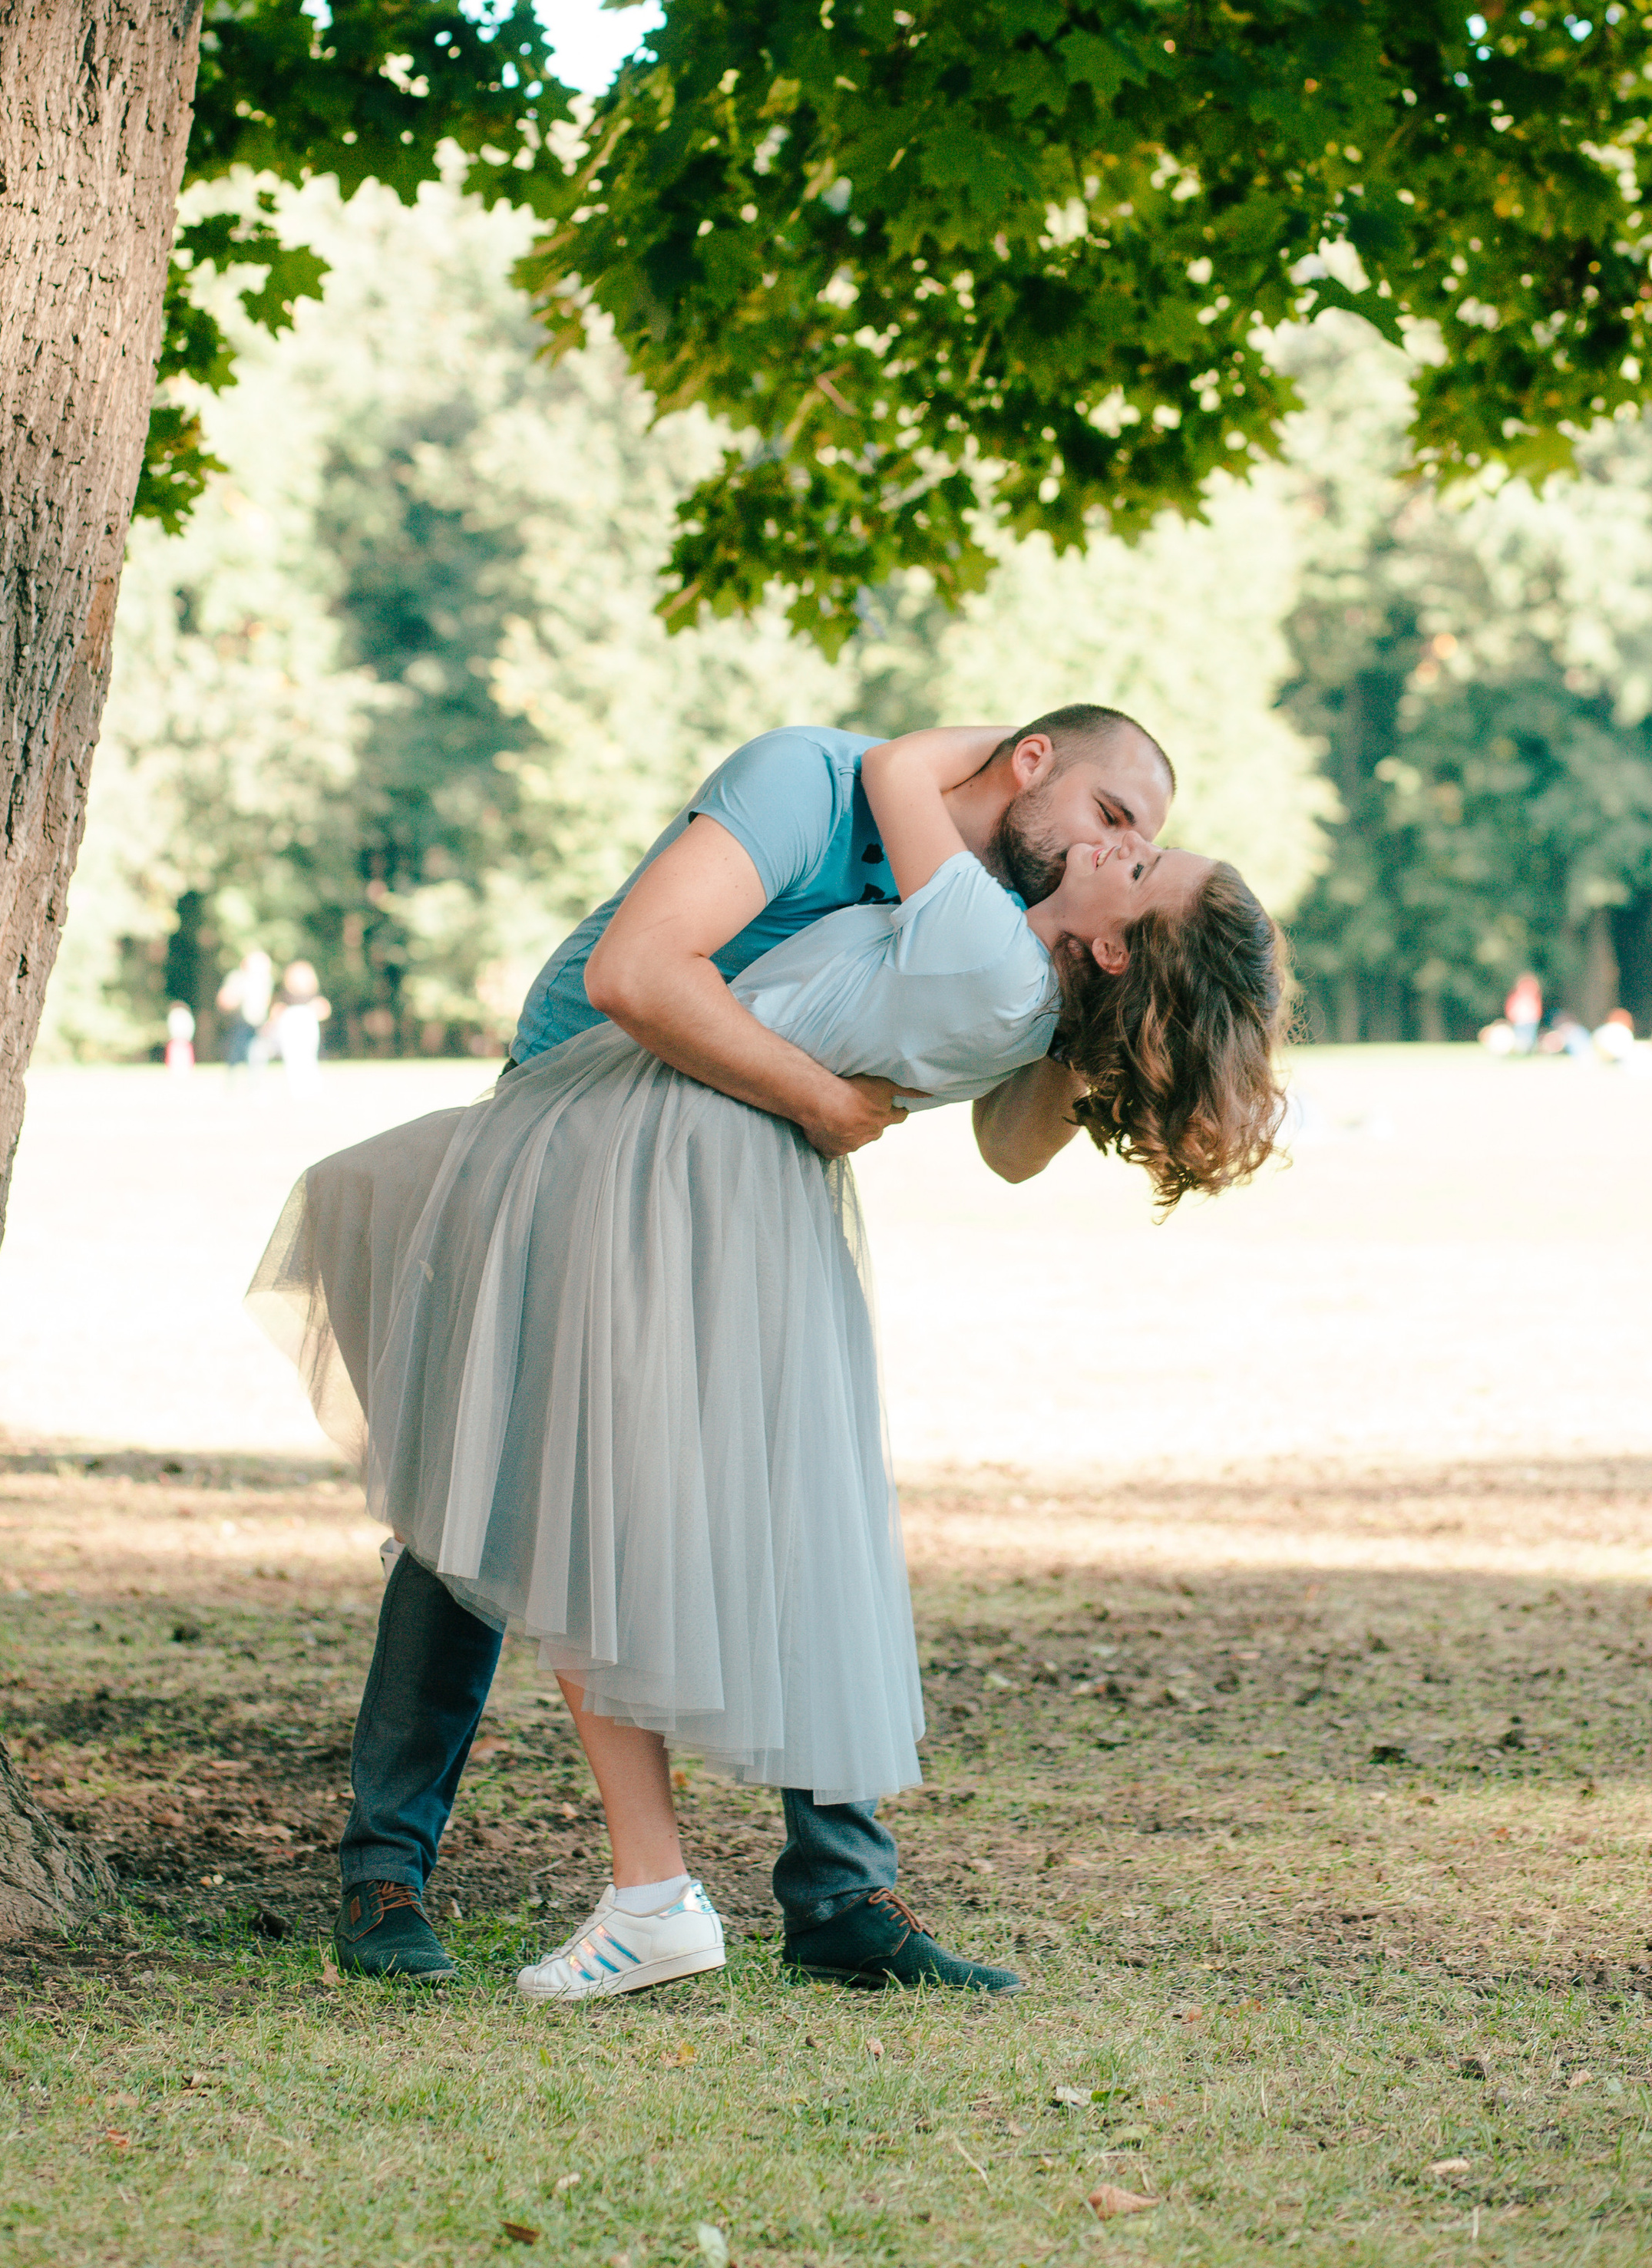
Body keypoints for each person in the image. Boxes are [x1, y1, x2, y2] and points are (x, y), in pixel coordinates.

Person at [251, 711, 1279, 1999]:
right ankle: (390, 1867)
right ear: (1031, 762)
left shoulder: (1017, 934)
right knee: (498, 1477)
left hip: (733, 1174)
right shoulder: (815, 785)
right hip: (595, 1111)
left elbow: (1011, 1142)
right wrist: (822, 1096)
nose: (1118, 844)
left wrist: (1119, 1026)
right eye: (1116, 818)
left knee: (783, 1493)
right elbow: (638, 975)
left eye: (1143, 849)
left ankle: (827, 1894)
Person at [276, 960, 332, 1098]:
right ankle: (296, 1088)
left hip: (306, 1022)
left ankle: (312, 1086)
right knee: (292, 1055)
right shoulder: (284, 995)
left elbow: (325, 1010)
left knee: (308, 1054)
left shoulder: (313, 995)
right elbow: (277, 1010)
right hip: (290, 1023)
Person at [1502, 970, 1543, 1057]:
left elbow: (1536, 1010)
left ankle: (1527, 1052)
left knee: (1529, 1039)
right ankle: (1519, 1052)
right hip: (1520, 1021)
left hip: (1530, 1022)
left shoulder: (1533, 998)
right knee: (1520, 1039)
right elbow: (1511, 1009)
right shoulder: (1517, 997)